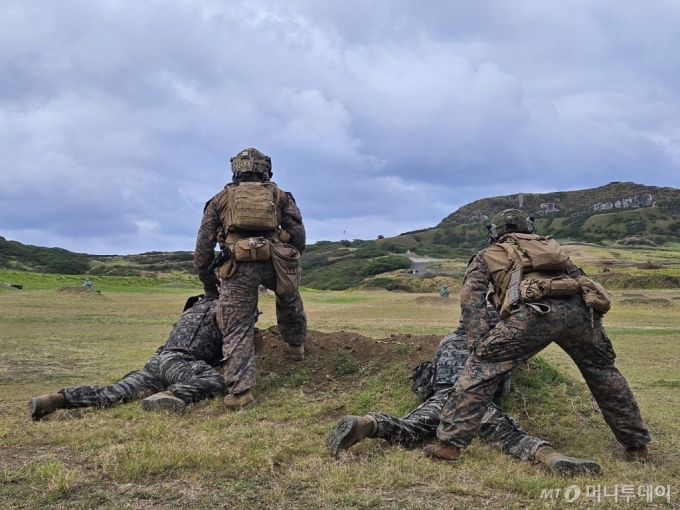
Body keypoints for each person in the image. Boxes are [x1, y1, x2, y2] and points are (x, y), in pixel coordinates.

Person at [426, 209, 651, 463]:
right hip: (580, 313)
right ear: (528, 228)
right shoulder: (552, 248)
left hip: (533, 313)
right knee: (604, 372)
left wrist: (478, 342)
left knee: (481, 368)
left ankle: (449, 446)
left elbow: (471, 297)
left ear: (495, 233)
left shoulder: (486, 255)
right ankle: (636, 447)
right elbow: (582, 281)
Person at [326, 304, 601, 476]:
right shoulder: (497, 346)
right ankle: (552, 457)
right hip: (476, 400)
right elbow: (502, 384)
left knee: (410, 429)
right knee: (511, 437)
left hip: (442, 397)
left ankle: (368, 424)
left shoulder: (447, 342)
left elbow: (430, 377)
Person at [194, 147, 307, 410]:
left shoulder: (220, 198)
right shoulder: (281, 196)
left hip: (237, 264)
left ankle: (241, 393)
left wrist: (207, 279)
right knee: (289, 298)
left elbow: (203, 246)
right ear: (265, 170)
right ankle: (296, 348)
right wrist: (287, 256)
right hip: (275, 260)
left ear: (236, 172)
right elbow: (298, 235)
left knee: (236, 323)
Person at [28, 296, 227, 420]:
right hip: (179, 361)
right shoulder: (224, 310)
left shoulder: (193, 309)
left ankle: (59, 398)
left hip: (156, 361)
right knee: (215, 380)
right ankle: (170, 395)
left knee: (115, 391)